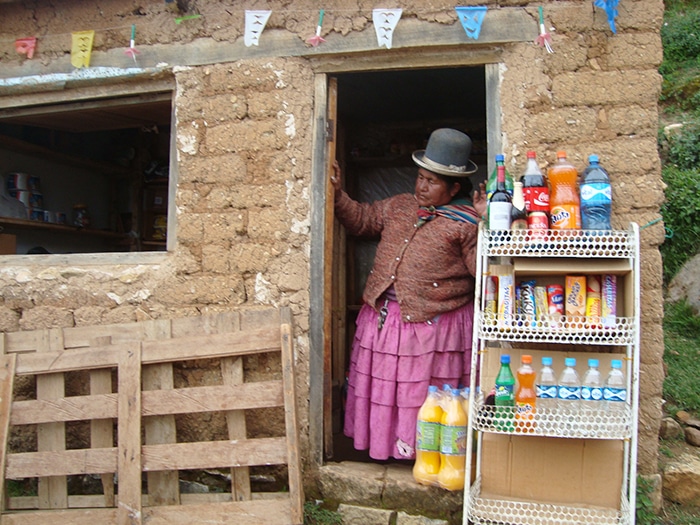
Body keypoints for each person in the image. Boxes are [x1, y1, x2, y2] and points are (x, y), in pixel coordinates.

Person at [331, 128, 487, 461]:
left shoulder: (467, 223)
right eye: (420, 177)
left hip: (432, 325)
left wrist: (489, 223)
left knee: (419, 392)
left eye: (432, 182)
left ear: (455, 187)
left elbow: (484, 273)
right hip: (384, 319)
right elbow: (361, 220)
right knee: (386, 392)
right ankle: (383, 450)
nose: (421, 186)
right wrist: (337, 193)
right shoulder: (400, 206)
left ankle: (426, 456)